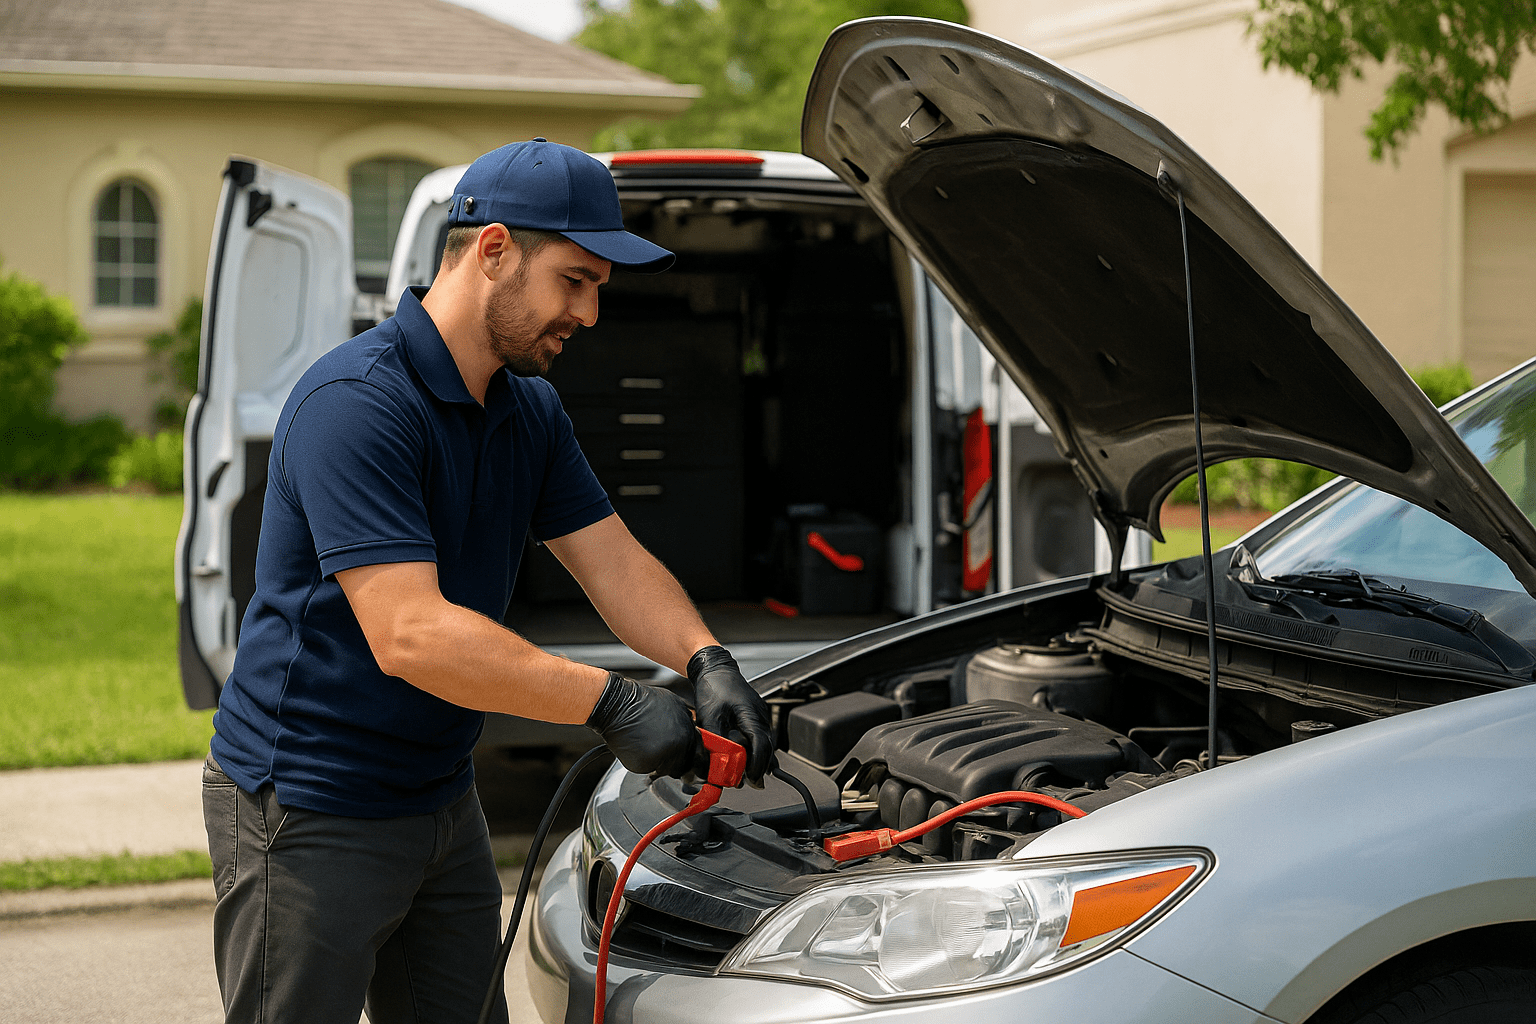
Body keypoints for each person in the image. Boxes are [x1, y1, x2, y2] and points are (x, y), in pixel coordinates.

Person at [201, 139, 775, 1024]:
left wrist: (706, 659)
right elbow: (411, 635)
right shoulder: (356, 403)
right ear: (495, 249)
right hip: (309, 804)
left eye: (597, 288)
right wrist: (612, 702)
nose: (588, 313)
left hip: (439, 795)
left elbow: (612, 560)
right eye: (574, 281)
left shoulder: (526, 406)